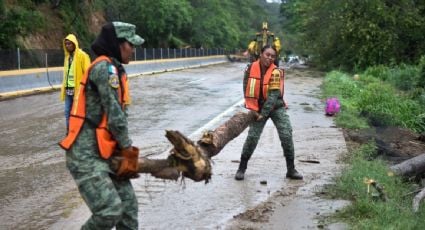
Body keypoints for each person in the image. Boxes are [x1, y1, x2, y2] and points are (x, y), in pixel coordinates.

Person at [59, 22, 144, 229]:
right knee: (109, 211)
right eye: (130, 45)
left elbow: (117, 115)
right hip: (85, 155)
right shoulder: (104, 69)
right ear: (118, 44)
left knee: (128, 208)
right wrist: (127, 149)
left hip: (105, 152)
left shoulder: (115, 68)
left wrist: (121, 150)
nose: (133, 50)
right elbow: (115, 114)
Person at [235, 45, 303, 181]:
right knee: (252, 137)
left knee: (286, 134)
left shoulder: (276, 72)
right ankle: (241, 168)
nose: (270, 58)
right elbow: (246, 86)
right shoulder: (250, 68)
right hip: (257, 108)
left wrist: (263, 114)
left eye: (273, 56)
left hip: (275, 107)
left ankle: (291, 169)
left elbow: (273, 96)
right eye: (267, 54)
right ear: (260, 54)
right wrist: (251, 106)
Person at [61, 34, 91, 133]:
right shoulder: (67, 58)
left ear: (74, 44)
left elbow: (88, 73)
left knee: (78, 112)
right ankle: (69, 132)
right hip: (68, 90)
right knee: (67, 112)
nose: (67, 45)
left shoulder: (82, 56)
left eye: (69, 43)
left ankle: (80, 132)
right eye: (66, 44)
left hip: (78, 90)